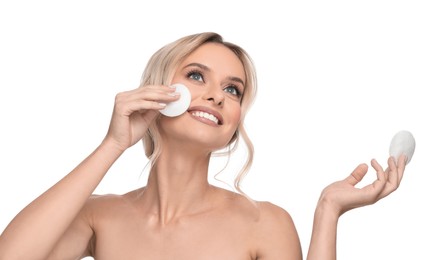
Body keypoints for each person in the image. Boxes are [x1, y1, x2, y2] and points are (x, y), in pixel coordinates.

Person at [0, 32, 406, 260]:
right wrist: (112, 144)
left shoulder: (264, 223)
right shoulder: (98, 216)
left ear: (233, 125)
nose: (217, 96)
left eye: (233, 89)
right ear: (159, 90)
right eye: (197, 76)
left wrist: (327, 213)